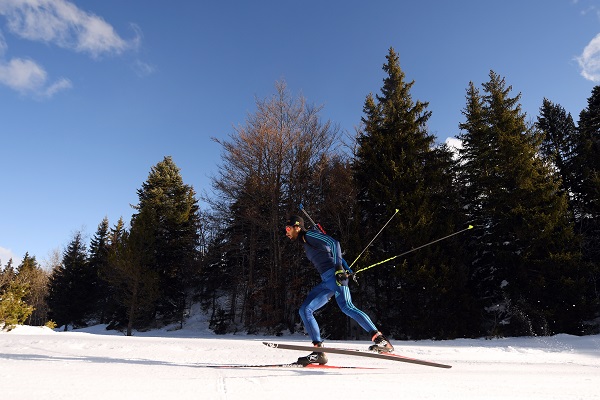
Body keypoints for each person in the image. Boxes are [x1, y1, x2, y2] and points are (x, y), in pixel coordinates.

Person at [285, 215, 394, 366]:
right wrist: (347, 269)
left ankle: (381, 341)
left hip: (334, 277)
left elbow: (334, 243)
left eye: (288, 228)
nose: (287, 232)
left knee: (347, 307)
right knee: (305, 309)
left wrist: (339, 270)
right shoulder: (306, 241)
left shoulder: (309, 235)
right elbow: (333, 252)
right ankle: (319, 353)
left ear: (297, 227)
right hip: (327, 280)